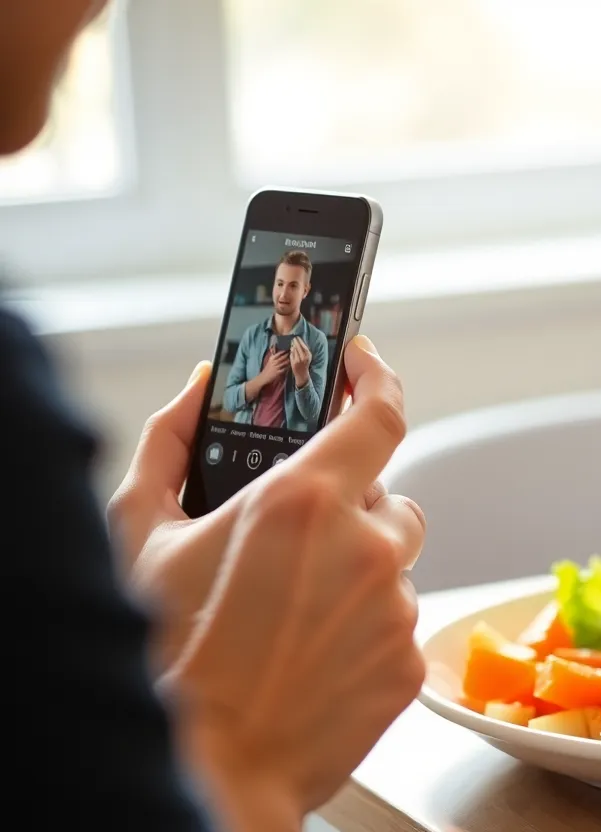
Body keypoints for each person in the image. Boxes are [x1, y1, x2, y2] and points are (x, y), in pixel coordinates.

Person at [2, 2, 427, 830]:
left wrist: (119, 637)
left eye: (299, 289)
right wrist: (242, 750)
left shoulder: (307, 348)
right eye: (282, 286)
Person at [224, 250, 329, 432]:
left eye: (293, 286)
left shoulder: (317, 341)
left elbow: (313, 416)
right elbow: (228, 401)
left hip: (284, 446)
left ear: (305, 290)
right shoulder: (252, 335)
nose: (283, 294)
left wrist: (302, 375)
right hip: (244, 437)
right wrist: (264, 377)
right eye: (280, 284)